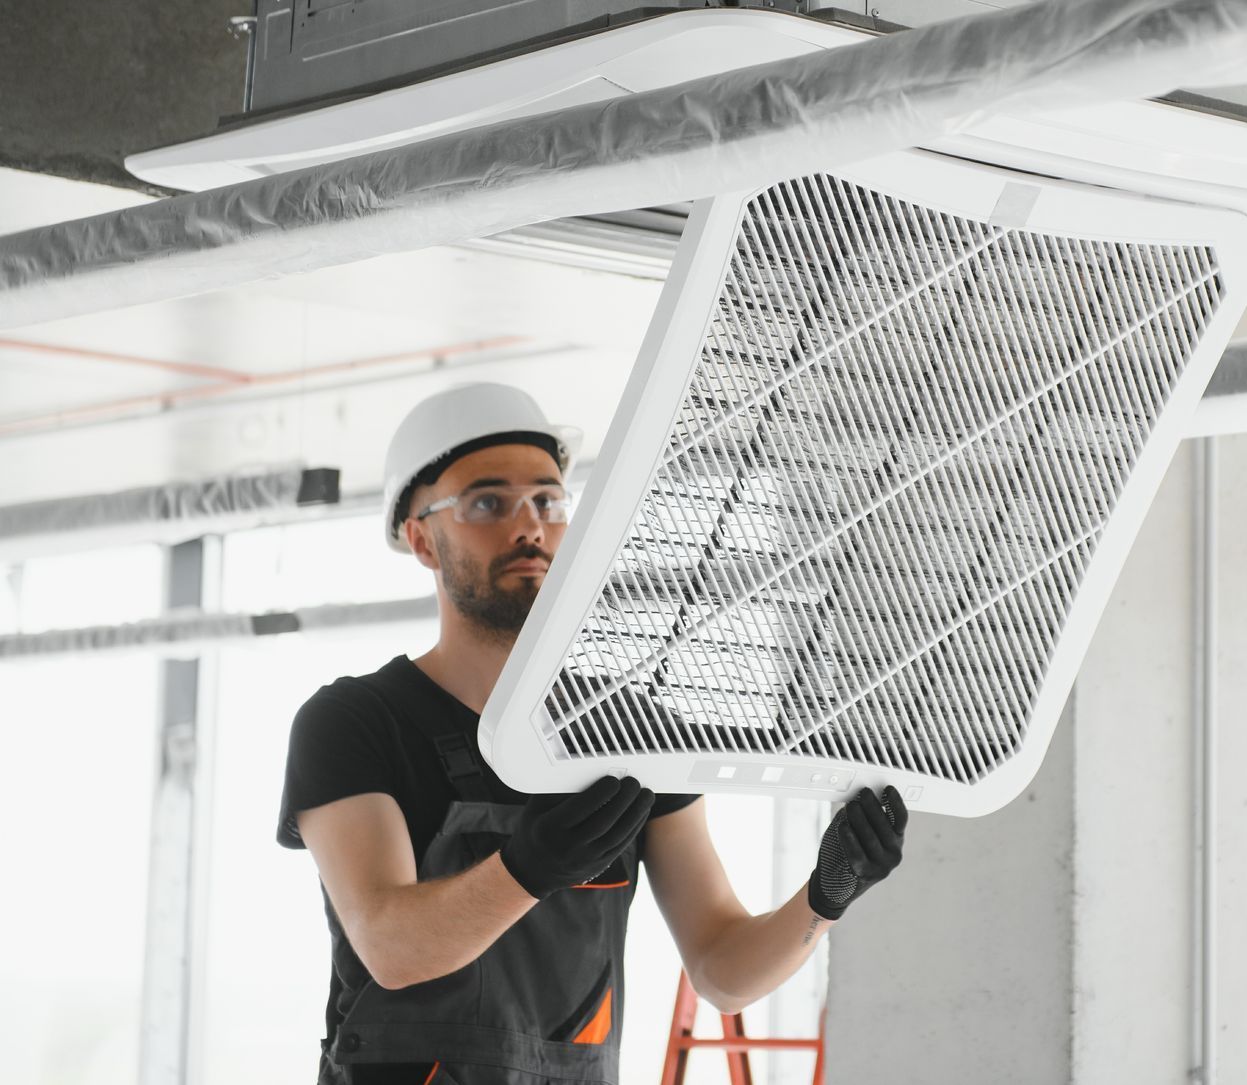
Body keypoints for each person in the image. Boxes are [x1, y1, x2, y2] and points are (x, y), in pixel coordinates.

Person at [278, 383, 909, 1084]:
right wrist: (526, 868)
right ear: (423, 538)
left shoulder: (627, 732)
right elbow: (391, 947)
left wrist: (825, 894)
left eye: (548, 500)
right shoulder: (353, 723)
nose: (530, 526)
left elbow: (722, 968)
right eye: (487, 502)